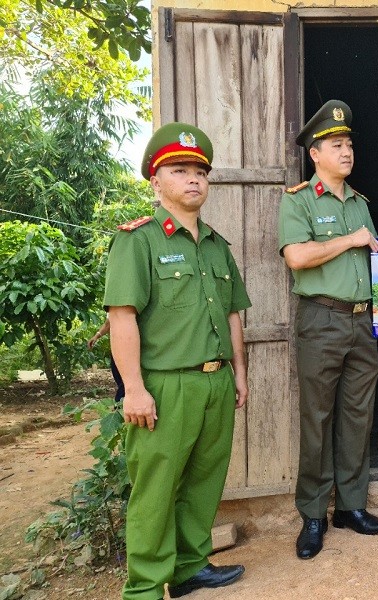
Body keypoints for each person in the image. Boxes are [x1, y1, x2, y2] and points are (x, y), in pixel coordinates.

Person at [104, 122, 251, 599]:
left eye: (200, 172)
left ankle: (188, 568)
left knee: (204, 482)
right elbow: (122, 317)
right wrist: (133, 387)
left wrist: (239, 373)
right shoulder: (138, 240)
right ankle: (145, 587)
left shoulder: (216, 245)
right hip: (164, 387)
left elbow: (232, 314)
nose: (194, 180)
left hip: (215, 382)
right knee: (155, 490)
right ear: (156, 182)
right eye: (180, 170)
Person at [278, 100, 378, 560]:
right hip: (321, 319)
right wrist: (350, 240)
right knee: (318, 419)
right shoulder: (299, 200)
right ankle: (313, 515)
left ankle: (352, 507)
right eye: (336, 145)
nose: (347, 152)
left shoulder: (361, 204)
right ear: (315, 154)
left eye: (349, 145)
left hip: (363, 320)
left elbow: (377, 256)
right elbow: (296, 257)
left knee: (357, 417)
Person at [87, 317, 125, 403]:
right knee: (119, 379)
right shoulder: (113, 306)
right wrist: (97, 336)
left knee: (125, 383)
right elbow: (109, 322)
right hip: (117, 347)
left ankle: (119, 407)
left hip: (130, 346)